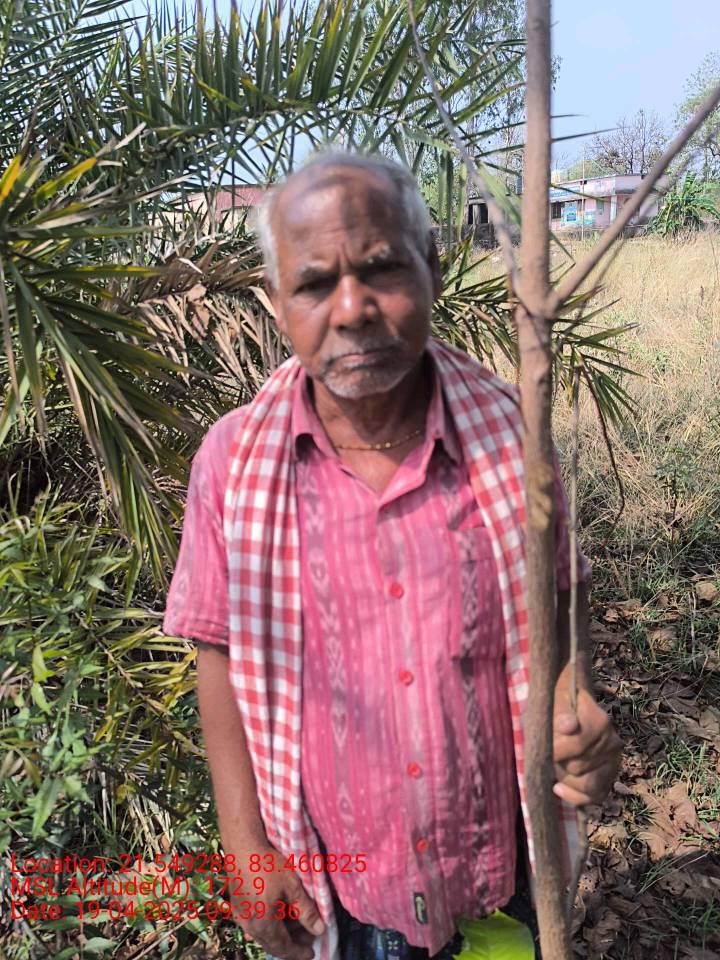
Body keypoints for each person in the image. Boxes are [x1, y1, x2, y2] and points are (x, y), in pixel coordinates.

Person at [163, 150, 622, 960]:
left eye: (381, 268)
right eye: (314, 284)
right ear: (275, 302)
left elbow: (558, 597)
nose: (353, 310)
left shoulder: (514, 439)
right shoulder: (234, 466)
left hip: (502, 875)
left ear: (432, 268)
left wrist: (575, 703)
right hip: (343, 895)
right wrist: (245, 844)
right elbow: (219, 654)